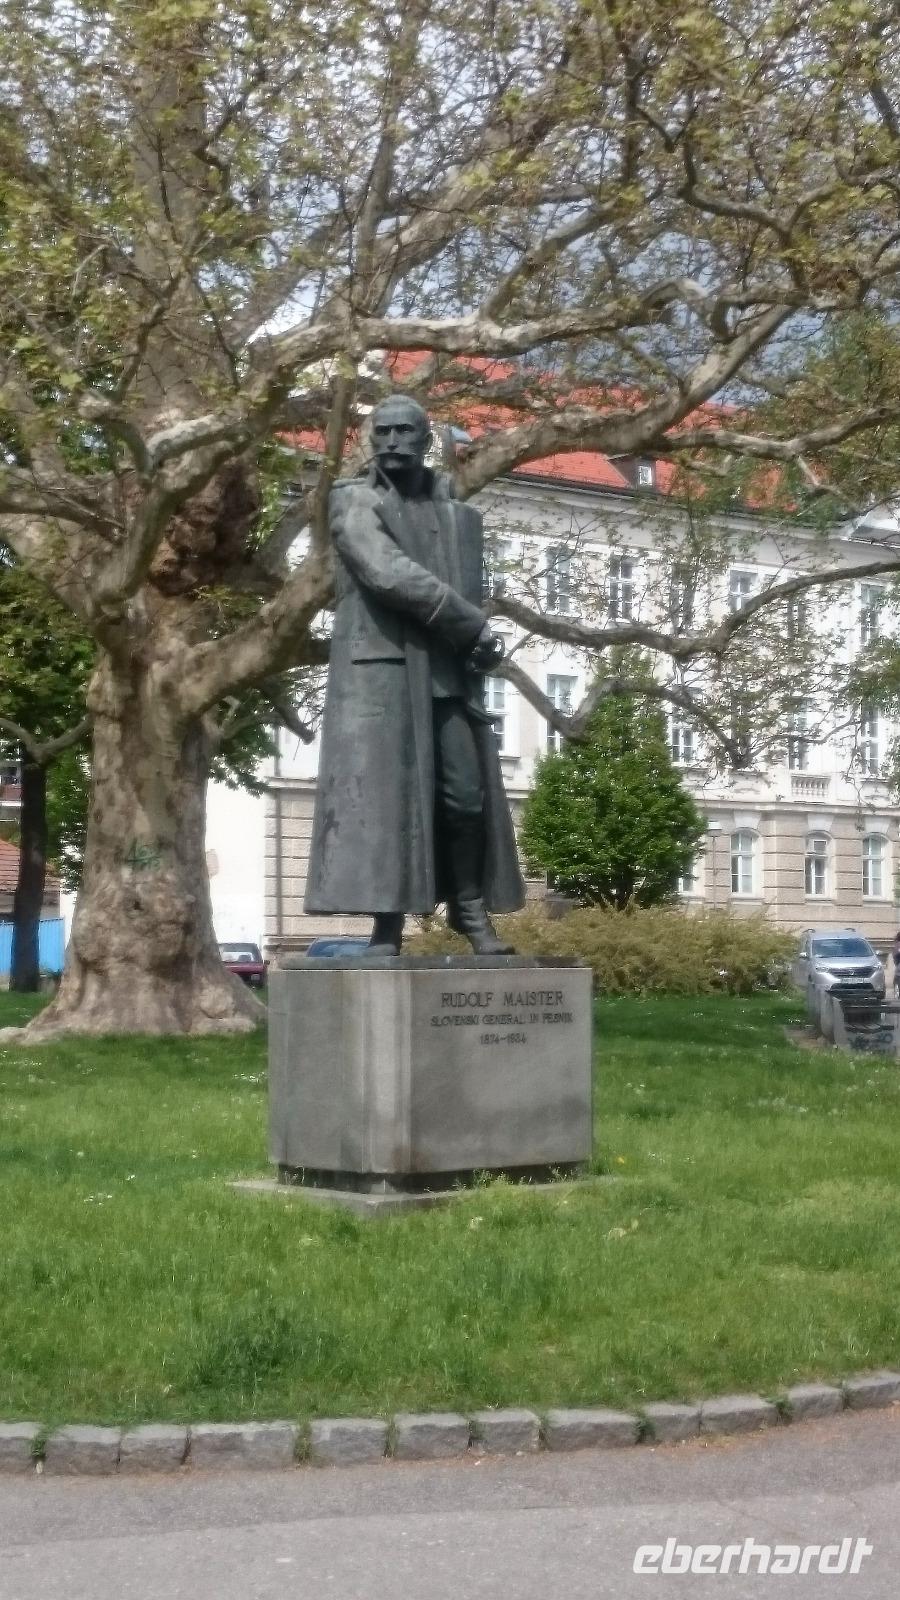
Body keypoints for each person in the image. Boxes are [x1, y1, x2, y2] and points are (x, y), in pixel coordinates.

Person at [304, 395, 525, 955]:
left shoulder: (450, 508)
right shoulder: (352, 499)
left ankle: (468, 908)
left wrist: (471, 645)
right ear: (370, 439)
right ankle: (387, 925)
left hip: (447, 674)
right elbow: (384, 572)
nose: (393, 441)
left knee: (466, 799)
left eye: (405, 432)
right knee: (388, 800)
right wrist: (472, 626)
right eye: (383, 432)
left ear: (426, 440)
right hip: (384, 670)